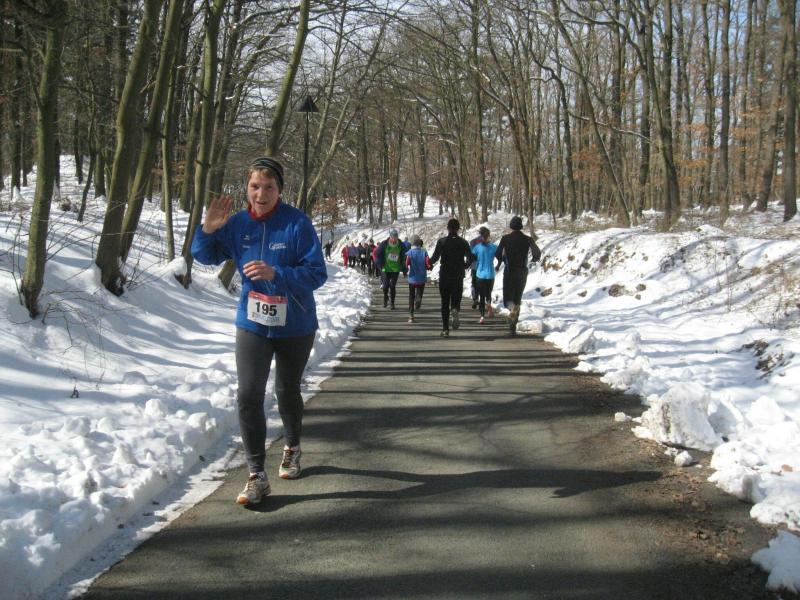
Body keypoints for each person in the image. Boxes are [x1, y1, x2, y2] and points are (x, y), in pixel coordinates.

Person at [191, 157, 327, 505]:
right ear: (246, 188)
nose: (261, 194)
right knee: (248, 394)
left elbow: (317, 273)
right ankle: (256, 475)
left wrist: (277, 273)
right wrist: (207, 230)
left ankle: (292, 446)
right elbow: (204, 256)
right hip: (253, 322)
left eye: (268, 187)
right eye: (254, 186)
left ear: (279, 190)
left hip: (295, 323)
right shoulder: (237, 224)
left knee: (286, 390)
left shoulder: (296, 224)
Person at [494, 215, 542, 335]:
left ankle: (512, 310)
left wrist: (501, 260)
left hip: (509, 270)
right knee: (517, 298)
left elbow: (498, 253)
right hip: (522, 271)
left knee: (508, 299)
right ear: (521, 226)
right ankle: (513, 327)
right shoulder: (528, 239)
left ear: (511, 226)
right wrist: (534, 259)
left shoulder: (505, 238)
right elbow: (537, 252)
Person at [430, 218, 473, 337]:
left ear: (448, 228)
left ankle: (445, 330)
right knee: (456, 298)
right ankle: (455, 309)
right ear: (458, 229)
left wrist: (427, 264)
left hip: (445, 274)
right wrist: (465, 265)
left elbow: (435, 258)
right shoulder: (463, 242)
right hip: (458, 275)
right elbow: (470, 258)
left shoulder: (442, 242)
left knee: (444, 303)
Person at [471, 226, 498, 324]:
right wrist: (498, 265)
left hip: (480, 275)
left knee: (481, 296)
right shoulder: (494, 247)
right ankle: (489, 303)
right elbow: (500, 256)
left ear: (481, 236)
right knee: (488, 293)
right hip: (490, 274)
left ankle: (482, 317)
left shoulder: (477, 247)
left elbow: (472, 257)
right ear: (489, 236)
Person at [375, 228, 407, 309]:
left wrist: (404, 269)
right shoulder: (384, 244)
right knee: (385, 286)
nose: (394, 239)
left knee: (392, 286)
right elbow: (378, 254)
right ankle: (385, 298)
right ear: (390, 237)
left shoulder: (401, 245)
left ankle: (392, 303)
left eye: (395, 238)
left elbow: (404, 257)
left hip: (395, 269)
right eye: (393, 238)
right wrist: (379, 264)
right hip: (385, 268)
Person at [405, 235, 431, 322]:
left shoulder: (410, 253)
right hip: (421, 278)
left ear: (412, 243)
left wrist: (405, 269)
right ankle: (418, 300)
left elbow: (406, 264)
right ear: (419, 243)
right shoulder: (424, 252)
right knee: (419, 293)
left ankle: (411, 315)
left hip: (412, 278)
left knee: (411, 296)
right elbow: (428, 264)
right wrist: (429, 267)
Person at [468, 231, 483, 309]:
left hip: (474, 266)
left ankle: (475, 298)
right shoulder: (487, 243)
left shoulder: (473, 242)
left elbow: (470, 254)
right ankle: (482, 300)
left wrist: (468, 264)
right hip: (483, 267)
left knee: (474, 283)